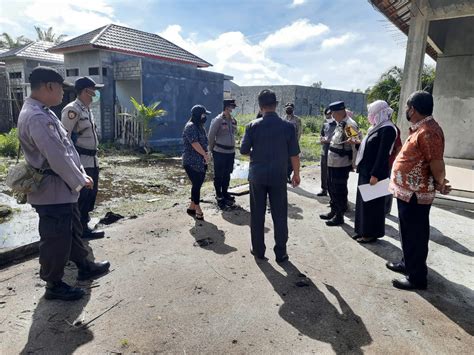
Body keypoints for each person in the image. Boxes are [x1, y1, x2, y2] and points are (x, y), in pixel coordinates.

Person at [17, 67, 110, 301]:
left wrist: (79, 174)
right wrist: (79, 180)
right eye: (60, 88)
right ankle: (54, 284)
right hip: (52, 189)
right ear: (49, 86)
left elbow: (66, 148)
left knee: (72, 230)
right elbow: (56, 155)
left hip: (61, 189)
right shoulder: (37, 117)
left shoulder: (44, 112)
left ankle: (85, 266)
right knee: (56, 238)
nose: (62, 93)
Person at [386, 91, 450, 290]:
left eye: (407, 107)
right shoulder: (420, 128)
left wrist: (441, 182)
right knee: (407, 231)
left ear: (413, 109)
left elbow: (436, 162)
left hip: (417, 194)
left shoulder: (429, 131)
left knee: (415, 233)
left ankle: (417, 277)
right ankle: (408, 264)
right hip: (408, 191)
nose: (406, 110)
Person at [240, 89, 301, 262]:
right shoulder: (288, 127)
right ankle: (281, 252)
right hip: (279, 177)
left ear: (260, 106)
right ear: (276, 105)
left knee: (257, 214)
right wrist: (296, 174)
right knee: (280, 215)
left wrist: (256, 153)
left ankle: (258, 251)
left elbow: (244, 150)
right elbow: (294, 154)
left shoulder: (252, 126)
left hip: (257, 177)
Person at [61, 77, 104, 239]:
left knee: (91, 194)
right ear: (86, 91)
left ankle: (84, 226)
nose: (95, 94)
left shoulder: (87, 109)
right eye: (94, 90)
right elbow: (64, 138)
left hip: (92, 159)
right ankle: (77, 231)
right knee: (82, 195)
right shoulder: (72, 110)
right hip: (80, 160)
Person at [353, 100, 397, 243]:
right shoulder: (376, 128)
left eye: (372, 113)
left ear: (380, 113)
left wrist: (375, 175)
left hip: (375, 173)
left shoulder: (388, 129)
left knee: (372, 205)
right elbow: (369, 148)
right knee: (363, 203)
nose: (370, 116)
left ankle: (370, 233)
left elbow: (383, 154)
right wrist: (357, 144)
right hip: (366, 171)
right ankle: (361, 230)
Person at [320, 101, 362, 226]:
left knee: (339, 189)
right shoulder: (340, 123)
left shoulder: (349, 125)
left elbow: (355, 144)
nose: (332, 116)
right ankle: (333, 210)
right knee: (331, 186)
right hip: (333, 161)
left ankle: (339, 215)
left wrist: (354, 163)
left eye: (333, 113)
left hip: (341, 163)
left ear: (339, 112)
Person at [182, 105, 211, 221]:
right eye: (203, 114)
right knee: (197, 184)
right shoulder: (190, 127)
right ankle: (198, 207)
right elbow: (195, 144)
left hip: (201, 161)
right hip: (191, 161)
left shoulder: (201, 127)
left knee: (197, 184)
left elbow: (204, 142)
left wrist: (207, 154)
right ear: (198, 115)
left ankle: (191, 207)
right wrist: (204, 154)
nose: (205, 117)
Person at [208, 99, 238, 208]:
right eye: (231, 107)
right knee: (219, 175)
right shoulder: (218, 120)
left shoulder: (233, 120)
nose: (233, 109)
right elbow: (211, 136)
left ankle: (225, 192)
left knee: (227, 173)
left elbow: (233, 133)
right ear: (226, 107)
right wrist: (211, 150)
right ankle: (219, 194)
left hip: (230, 152)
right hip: (220, 152)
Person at [317, 107, 337, 196]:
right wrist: (321, 139)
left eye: (329, 116)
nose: (328, 118)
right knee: (324, 169)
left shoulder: (339, 125)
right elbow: (321, 135)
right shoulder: (325, 125)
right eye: (326, 116)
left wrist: (329, 141)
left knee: (332, 171)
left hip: (334, 150)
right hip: (324, 149)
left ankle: (332, 190)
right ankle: (324, 189)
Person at [284, 102, 302, 182]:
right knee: (285, 159)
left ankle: (289, 174)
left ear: (293, 109)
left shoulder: (297, 120)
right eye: (287, 108)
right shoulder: (283, 119)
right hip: (284, 143)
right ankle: (286, 175)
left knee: (292, 160)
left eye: (290, 108)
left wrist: (296, 142)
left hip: (293, 142)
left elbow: (299, 131)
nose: (288, 110)